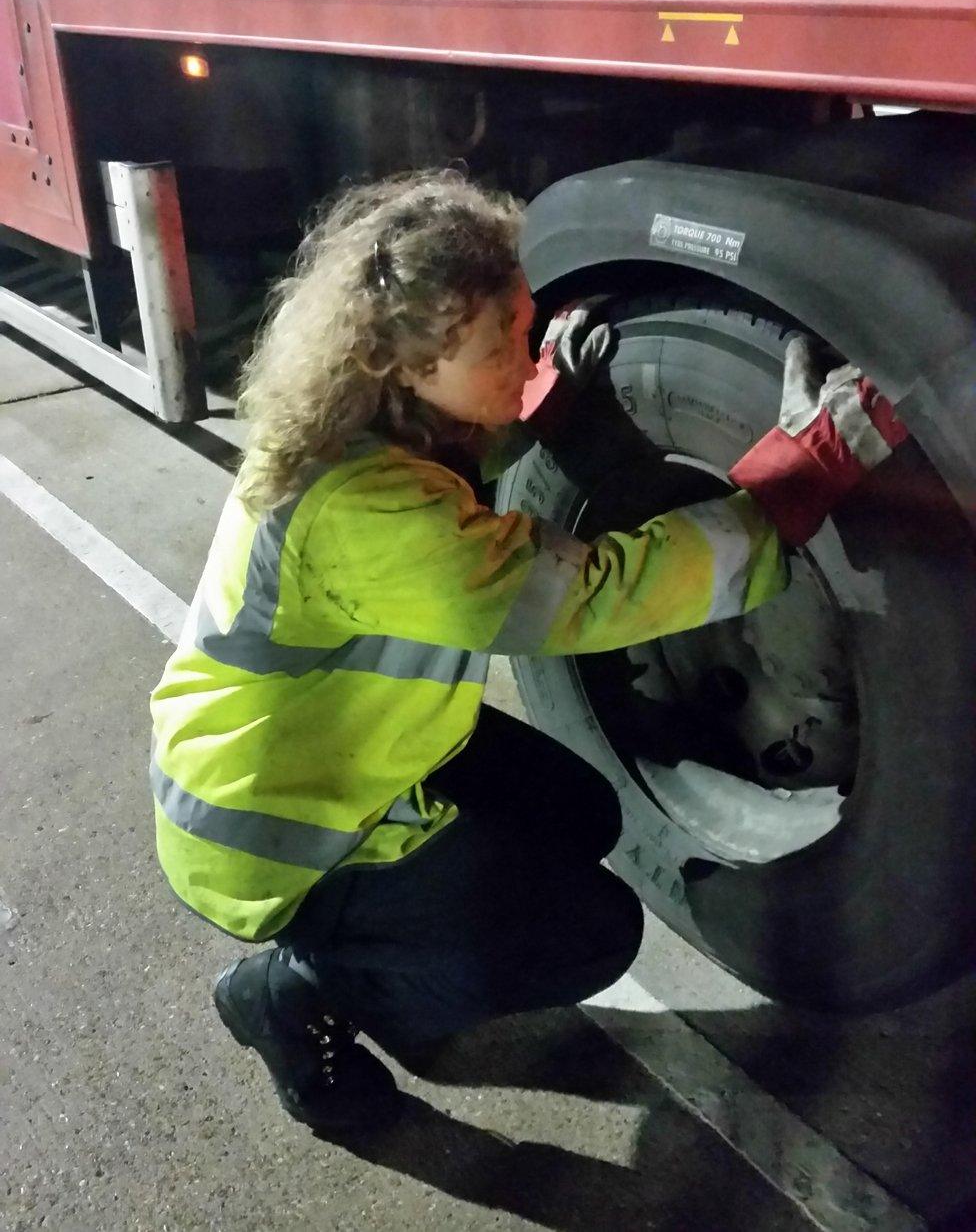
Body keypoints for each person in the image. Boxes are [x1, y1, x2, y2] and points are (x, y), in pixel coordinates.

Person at [149, 169, 907, 1133]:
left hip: (343, 758)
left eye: (524, 319)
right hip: (278, 835)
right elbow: (588, 594)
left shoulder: (367, 428)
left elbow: (457, 473)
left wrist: (542, 403)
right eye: (501, 342)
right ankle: (295, 989)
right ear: (410, 366)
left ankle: (395, 939)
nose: (529, 348)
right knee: (591, 934)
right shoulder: (367, 515)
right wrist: (798, 473)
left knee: (582, 814)